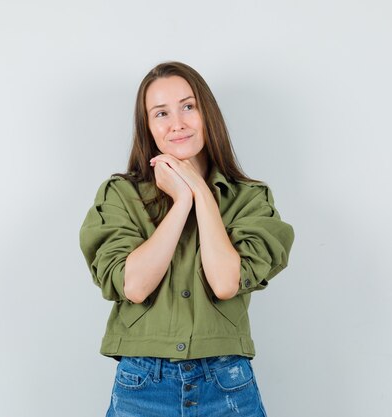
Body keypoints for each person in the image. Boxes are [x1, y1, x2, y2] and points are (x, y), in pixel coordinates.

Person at [79, 61, 294, 417]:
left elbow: (226, 282)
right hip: (142, 386)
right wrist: (181, 202)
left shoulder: (251, 199)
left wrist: (200, 190)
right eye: (161, 113)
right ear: (148, 127)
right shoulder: (119, 195)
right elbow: (133, 285)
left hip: (227, 384)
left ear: (207, 113)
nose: (177, 123)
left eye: (188, 106)